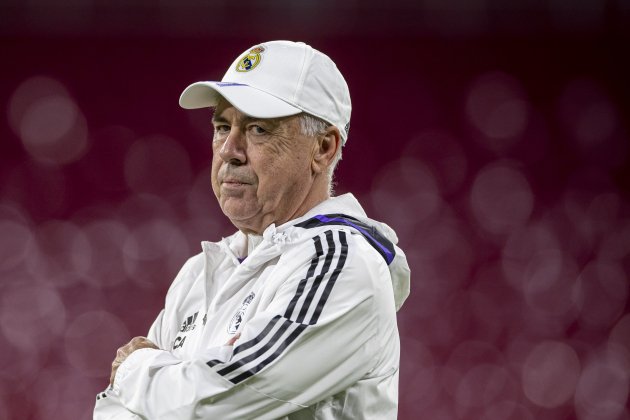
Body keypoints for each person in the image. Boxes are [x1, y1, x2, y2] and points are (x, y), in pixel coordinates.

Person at [93, 40, 410, 420]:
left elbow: (219, 401)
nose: (229, 149)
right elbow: (116, 411)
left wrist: (134, 368)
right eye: (222, 126)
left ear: (323, 148)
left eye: (258, 129)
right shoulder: (202, 272)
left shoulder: (342, 262)